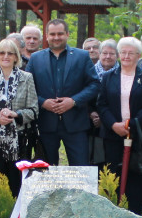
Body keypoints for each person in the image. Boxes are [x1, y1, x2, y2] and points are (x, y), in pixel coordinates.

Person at [27, 18, 101, 165]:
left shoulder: (82, 56)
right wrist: (42, 102)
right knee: (46, 171)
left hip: (76, 123)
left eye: (60, 33)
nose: (56, 37)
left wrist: (73, 101)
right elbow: (26, 88)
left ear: (67, 34)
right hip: (46, 123)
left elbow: (94, 85)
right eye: (52, 34)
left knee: (81, 170)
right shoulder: (35, 59)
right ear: (46, 36)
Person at [96, 36, 142, 214]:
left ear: (139, 55)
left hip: (138, 135)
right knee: (112, 175)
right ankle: (113, 211)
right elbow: (102, 104)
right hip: (112, 135)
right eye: (123, 52)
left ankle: (135, 212)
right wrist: (114, 125)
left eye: (131, 53)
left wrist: (132, 125)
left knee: (135, 177)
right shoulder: (108, 77)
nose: (127, 56)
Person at [0, 38, 39, 194]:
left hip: (20, 137)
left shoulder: (27, 78)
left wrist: (16, 114)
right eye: (2, 53)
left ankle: (17, 216)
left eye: (10, 53)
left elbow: (34, 110)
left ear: (16, 57)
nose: (6, 56)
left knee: (17, 179)